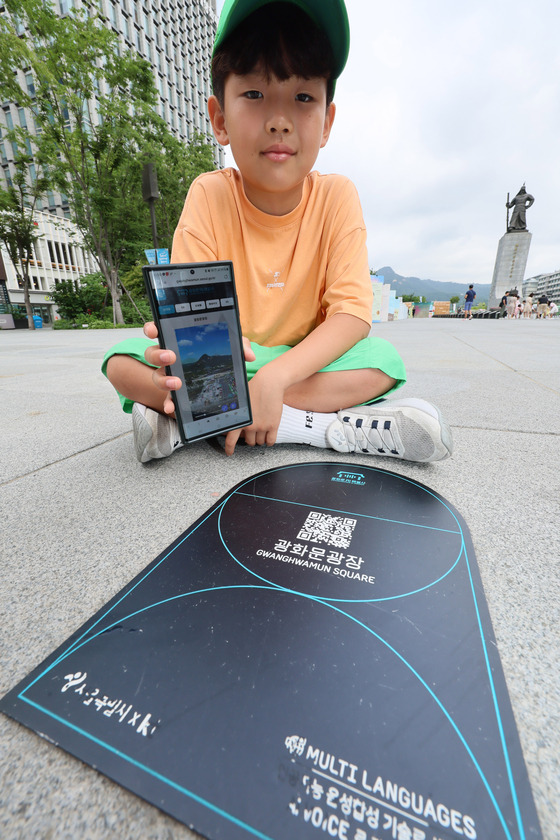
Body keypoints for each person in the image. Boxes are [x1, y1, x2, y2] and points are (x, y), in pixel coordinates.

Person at [102, 0, 453, 464]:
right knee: (124, 360)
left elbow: (351, 315)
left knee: (383, 362)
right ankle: (323, 427)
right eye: (254, 94)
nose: (280, 119)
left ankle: (199, 421)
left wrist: (274, 378)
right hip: (231, 363)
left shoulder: (337, 196)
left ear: (327, 122)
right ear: (219, 118)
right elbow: (193, 315)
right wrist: (185, 350)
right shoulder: (208, 193)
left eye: (303, 97)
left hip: (304, 364)